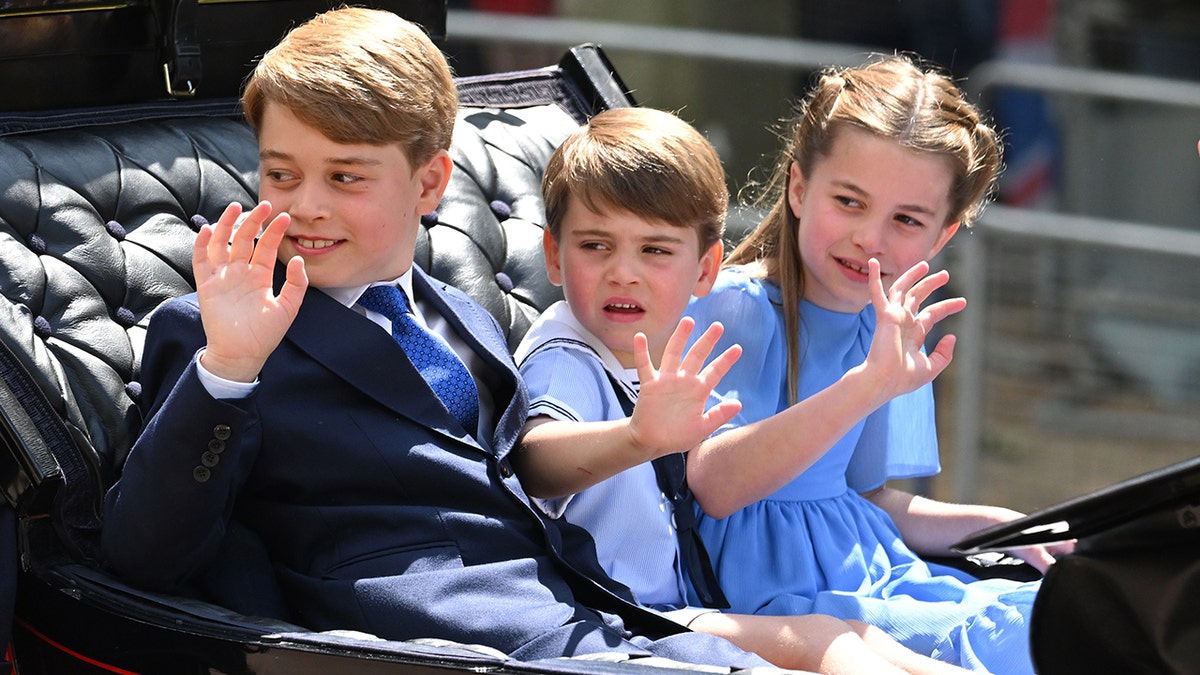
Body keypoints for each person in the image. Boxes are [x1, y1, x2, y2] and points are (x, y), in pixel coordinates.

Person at [98, 8, 776, 668]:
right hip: (438, 644)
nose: (305, 203)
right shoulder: (217, 332)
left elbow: (514, 482)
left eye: (344, 176)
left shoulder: (462, 314)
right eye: (282, 174)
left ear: (429, 182)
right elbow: (143, 554)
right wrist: (228, 368)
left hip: (589, 618)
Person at [514, 106, 973, 675]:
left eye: (654, 250)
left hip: (675, 604)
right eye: (595, 246)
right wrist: (635, 437)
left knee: (850, 635)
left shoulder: (654, 355)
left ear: (703, 270)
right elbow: (533, 459)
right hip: (621, 616)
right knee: (824, 642)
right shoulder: (567, 351)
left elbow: (866, 493)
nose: (623, 272)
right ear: (553, 255)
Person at [681, 55, 1073, 675]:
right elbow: (714, 489)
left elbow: (866, 499)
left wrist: (999, 524)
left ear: (941, 236)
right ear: (799, 188)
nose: (871, 238)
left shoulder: (888, 323)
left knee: (1071, 608)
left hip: (883, 577)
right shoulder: (730, 307)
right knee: (1043, 638)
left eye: (907, 220)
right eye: (850, 201)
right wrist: (867, 386)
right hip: (792, 605)